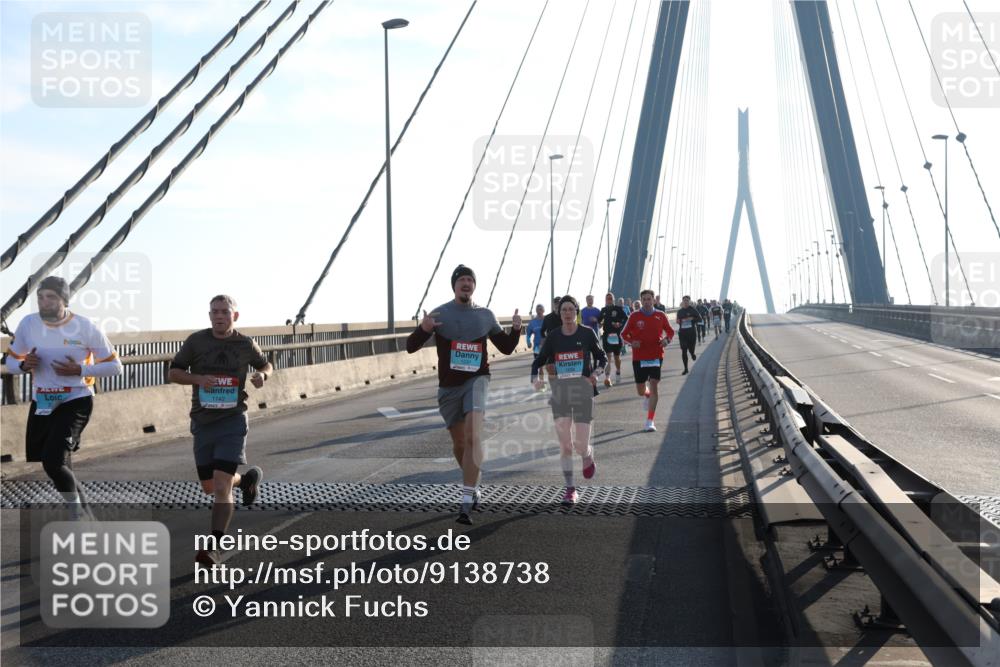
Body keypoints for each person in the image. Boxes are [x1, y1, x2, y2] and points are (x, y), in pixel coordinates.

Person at [407, 265, 521, 525]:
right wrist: (424, 329)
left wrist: (515, 330)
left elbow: (505, 348)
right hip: (449, 387)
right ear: (454, 286)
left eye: (470, 280)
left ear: (474, 286)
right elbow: (410, 347)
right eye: (462, 280)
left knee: (473, 435)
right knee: (459, 444)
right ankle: (474, 481)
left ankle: (466, 500)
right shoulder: (440, 314)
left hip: (477, 380)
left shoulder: (485, 315)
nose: (466, 283)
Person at [5, 276, 123, 519]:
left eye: (51, 297)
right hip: (44, 403)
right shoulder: (28, 324)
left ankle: (77, 513)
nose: (44, 302)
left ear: (64, 300)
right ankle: (86, 515)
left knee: (52, 460)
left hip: (75, 401)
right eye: (40, 296)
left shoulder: (85, 327)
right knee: (58, 463)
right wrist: (25, 365)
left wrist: (80, 370)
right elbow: (10, 362)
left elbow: (115, 367)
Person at [169, 294, 272, 567]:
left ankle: (213, 547)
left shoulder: (245, 343)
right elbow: (174, 372)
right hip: (203, 421)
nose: (218, 316)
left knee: (221, 487)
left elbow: (265, 364)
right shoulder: (196, 341)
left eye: (224, 312)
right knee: (210, 486)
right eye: (214, 311)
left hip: (233, 420)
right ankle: (245, 481)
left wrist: (264, 376)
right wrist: (198, 379)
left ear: (234, 316)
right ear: (209, 314)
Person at [531, 296, 606, 505]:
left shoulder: (587, 333)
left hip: (583, 391)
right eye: (563, 310)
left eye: (570, 309)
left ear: (577, 311)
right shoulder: (554, 336)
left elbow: (602, 357)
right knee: (565, 446)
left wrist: (596, 374)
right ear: (559, 313)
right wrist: (536, 378)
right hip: (560, 393)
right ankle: (570, 489)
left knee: (580, 445)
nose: (567, 313)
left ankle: (587, 453)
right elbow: (539, 359)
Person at [621, 290, 674, 432]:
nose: (646, 301)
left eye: (649, 299)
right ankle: (646, 394)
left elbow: (670, 331)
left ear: (653, 300)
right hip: (639, 357)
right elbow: (623, 334)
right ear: (641, 300)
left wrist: (666, 340)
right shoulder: (634, 316)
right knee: (640, 390)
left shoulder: (660, 315)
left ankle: (650, 421)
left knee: (654, 384)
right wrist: (632, 342)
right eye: (644, 299)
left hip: (656, 355)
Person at [598, 292, 628, 386]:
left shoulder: (618, 309)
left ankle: (618, 371)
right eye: (607, 298)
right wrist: (599, 323)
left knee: (617, 358)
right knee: (608, 357)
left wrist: (619, 324)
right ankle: (607, 378)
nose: (609, 300)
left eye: (610, 298)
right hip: (607, 335)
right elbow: (600, 322)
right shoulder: (603, 310)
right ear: (605, 300)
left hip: (616, 336)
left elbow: (626, 319)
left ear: (613, 299)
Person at [675, 295, 701, 375]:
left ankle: (692, 353)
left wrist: (692, 319)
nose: (685, 302)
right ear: (682, 302)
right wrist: (678, 321)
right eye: (684, 300)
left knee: (691, 349)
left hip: (691, 333)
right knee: (684, 350)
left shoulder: (693, 310)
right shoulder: (680, 311)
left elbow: (699, 318)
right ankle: (685, 368)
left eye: (687, 300)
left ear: (689, 302)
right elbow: (678, 320)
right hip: (682, 333)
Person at [525, 304, 547, 387]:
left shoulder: (547, 320)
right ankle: (541, 384)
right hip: (537, 347)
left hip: (548, 347)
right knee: (539, 366)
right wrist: (528, 342)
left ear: (543, 310)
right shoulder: (532, 322)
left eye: (541, 309)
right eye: (538, 309)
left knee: (550, 366)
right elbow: (528, 334)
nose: (539, 310)